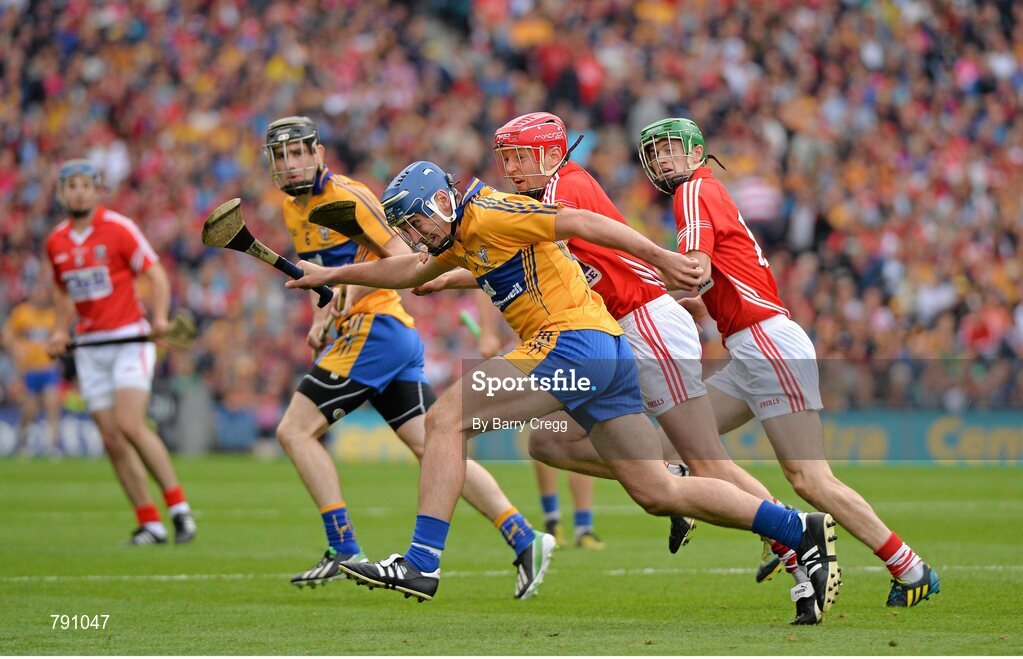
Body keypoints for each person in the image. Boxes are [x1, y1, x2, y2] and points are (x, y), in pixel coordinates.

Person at [285, 159, 841, 608]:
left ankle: (421, 563)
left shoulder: (491, 211)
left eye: (414, 222)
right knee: (657, 492)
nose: (412, 235)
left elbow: (579, 224)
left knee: (447, 418)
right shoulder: (456, 234)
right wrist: (332, 274)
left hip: (572, 343)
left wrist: (659, 258)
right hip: (606, 353)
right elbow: (406, 270)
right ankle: (796, 528)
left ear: (438, 203)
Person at [416, 111, 818, 622]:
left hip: (639, 320)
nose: (512, 168)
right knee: (548, 441)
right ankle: (758, 519)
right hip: (618, 327)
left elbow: (587, 235)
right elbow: (516, 262)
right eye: (507, 158)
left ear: (549, 152)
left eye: (521, 156)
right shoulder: (543, 197)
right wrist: (445, 278)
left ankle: (798, 543)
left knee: (707, 461)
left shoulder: (568, 184)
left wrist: (662, 266)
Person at [637, 117, 939, 608]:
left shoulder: (692, 192)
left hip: (767, 345)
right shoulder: (704, 191)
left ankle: (909, 567)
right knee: (675, 435)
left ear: (697, 154)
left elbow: (693, 272)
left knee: (810, 479)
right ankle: (772, 527)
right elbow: (709, 282)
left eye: (671, 148)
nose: (662, 159)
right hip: (749, 348)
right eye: (654, 153)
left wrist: (630, 282)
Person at [264, 116, 555, 598]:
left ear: (319, 153)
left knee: (293, 430)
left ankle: (343, 549)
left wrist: (347, 297)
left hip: (374, 329)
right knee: (434, 448)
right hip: (378, 334)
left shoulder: (349, 197)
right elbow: (337, 272)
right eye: (281, 155)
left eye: (298, 152)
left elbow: (399, 254)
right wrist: (323, 317)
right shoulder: (294, 209)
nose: (290, 163)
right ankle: (524, 537)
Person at [45, 159, 196, 545]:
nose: (78, 192)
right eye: (71, 185)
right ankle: (150, 522)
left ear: (98, 190)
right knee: (111, 438)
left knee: (130, 425)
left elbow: (156, 274)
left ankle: (179, 509)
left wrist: (159, 318)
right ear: (62, 192)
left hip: (130, 338)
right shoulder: (56, 241)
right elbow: (64, 291)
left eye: (85, 185)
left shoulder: (119, 229)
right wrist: (61, 331)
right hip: (91, 348)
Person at [3, 278, 62, 457]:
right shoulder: (21, 313)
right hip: (29, 369)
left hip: (48, 368)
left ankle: (52, 446)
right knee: (29, 410)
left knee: (52, 405)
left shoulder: (53, 315)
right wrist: (16, 350)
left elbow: (59, 339)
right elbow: (6, 336)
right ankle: (22, 443)